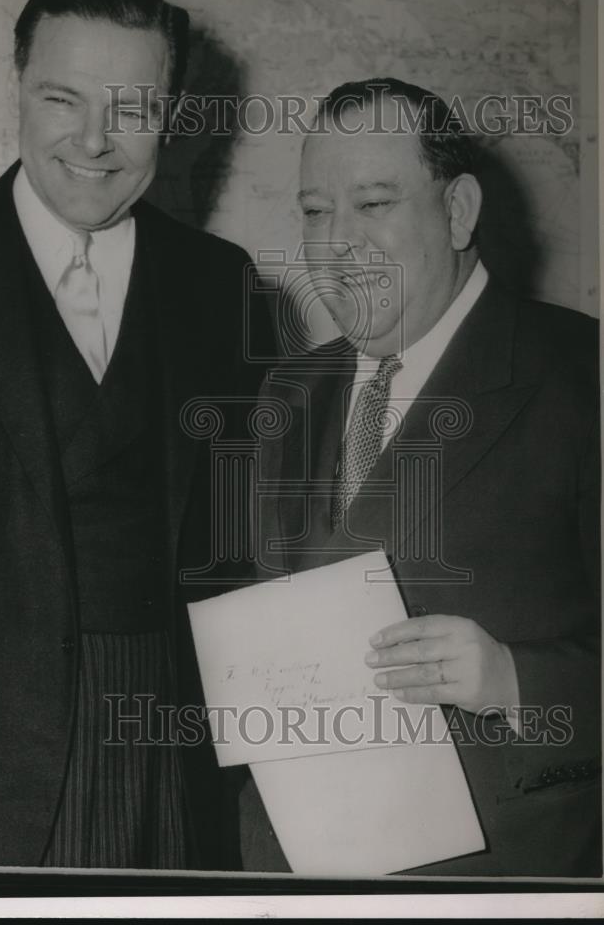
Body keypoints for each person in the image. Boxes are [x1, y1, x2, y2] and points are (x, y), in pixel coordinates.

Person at [0, 0, 272, 870]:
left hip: (172, 751)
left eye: (130, 108)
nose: (96, 141)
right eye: (63, 99)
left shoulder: (222, 284)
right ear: (16, 89)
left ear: (169, 112)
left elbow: (244, 544)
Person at [242, 78, 600, 876]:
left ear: (459, 211)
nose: (335, 246)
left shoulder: (585, 376)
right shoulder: (287, 394)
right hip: (294, 872)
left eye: (372, 205)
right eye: (313, 211)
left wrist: (514, 681)